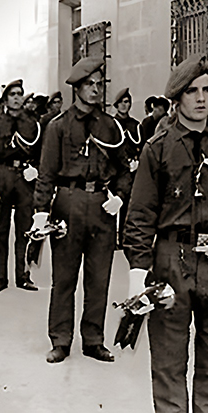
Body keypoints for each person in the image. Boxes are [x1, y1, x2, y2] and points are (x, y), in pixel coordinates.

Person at [122, 54, 208, 412]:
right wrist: (138, 273)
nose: (201, 98)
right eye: (192, 91)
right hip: (170, 261)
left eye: (207, 90)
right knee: (168, 365)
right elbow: (139, 216)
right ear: (177, 99)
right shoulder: (158, 149)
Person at [30, 56, 131, 364]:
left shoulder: (110, 126)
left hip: (101, 204)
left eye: (100, 84)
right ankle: (60, 340)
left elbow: (125, 169)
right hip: (68, 201)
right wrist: (40, 210)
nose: (96, 90)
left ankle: (93, 340)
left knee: (99, 277)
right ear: (76, 88)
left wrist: (120, 196)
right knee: (64, 277)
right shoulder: (58, 127)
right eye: (90, 84)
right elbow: (46, 171)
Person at [0, 79, 41, 293]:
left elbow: (41, 152)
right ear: (5, 99)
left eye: (20, 93)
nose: (17, 97)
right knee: (1, 228)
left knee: (25, 229)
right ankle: (0, 277)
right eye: (12, 94)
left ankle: (23, 275)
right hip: (1, 175)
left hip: (24, 178)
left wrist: (36, 170)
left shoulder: (32, 124)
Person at [112, 87, 142, 246]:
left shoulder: (135, 125)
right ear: (116, 105)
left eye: (127, 102)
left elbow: (140, 146)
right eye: (122, 103)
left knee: (130, 205)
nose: (125, 105)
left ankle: (126, 237)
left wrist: (137, 162)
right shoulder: (111, 124)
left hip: (132, 169)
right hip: (116, 170)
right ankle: (111, 237)